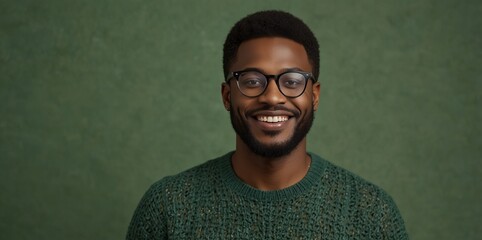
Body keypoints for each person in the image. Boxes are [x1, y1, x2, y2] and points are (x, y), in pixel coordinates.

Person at [126, 10, 409, 239]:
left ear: (314, 95)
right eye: (251, 81)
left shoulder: (372, 214)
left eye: (293, 81)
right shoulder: (167, 207)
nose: (272, 96)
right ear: (227, 95)